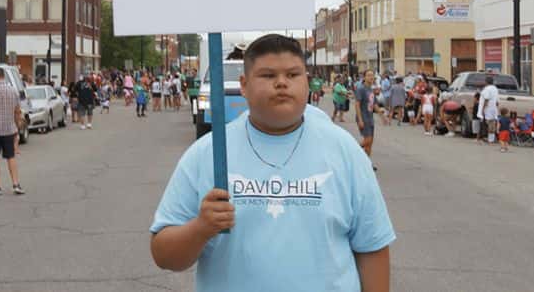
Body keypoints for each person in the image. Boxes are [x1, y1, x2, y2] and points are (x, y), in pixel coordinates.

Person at [149, 34, 394, 290]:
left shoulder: (345, 151)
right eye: (267, 76)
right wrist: (200, 228)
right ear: (244, 85)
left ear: (307, 82)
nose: (281, 83)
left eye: (292, 75)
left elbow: (372, 246)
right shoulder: (207, 153)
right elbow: (163, 255)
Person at [355, 70, 377, 170]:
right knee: (367, 140)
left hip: (370, 117)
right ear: (364, 77)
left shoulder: (371, 89)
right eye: (369, 75)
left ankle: (366, 163)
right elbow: (357, 104)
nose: (371, 77)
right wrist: (360, 120)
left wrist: (383, 115)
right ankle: (353, 151)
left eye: (372, 75)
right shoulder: (361, 89)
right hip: (363, 117)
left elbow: (374, 104)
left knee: (370, 142)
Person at [477, 76, 499, 145]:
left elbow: (486, 99)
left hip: (487, 109)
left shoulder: (486, 89)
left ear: (486, 82)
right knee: (492, 125)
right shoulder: (495, 89)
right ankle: (490, 140)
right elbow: (497, 101)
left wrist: (483, 109)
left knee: (484, 125)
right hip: (493, 109)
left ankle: (482, 139)